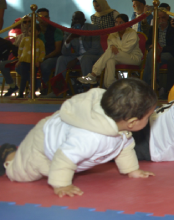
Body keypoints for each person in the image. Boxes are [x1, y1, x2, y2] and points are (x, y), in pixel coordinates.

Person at [0, 79, 156, 197]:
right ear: (132, 122)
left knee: (57, 166)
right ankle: (8, 153)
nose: (151, 118)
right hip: (43, 143)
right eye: (149, 116)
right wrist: (61, 185)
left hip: (66, 137)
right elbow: (64, 157)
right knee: (21, 174)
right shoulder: (89, 138)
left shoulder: (117, 122)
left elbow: (125, 146)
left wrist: (131, 170)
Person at [43, 12, 103, 98]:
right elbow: (64, 52)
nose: (77, 21)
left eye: (79, 19)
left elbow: (96, 48)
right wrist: (69, 40)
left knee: (85, 59)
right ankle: (58, 91)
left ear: (84, 20)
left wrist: (77, 59)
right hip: (78, 56)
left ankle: (88, 90)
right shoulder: (70, 31)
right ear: (72, 20)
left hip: (94, 56)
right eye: (75, 19)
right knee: (61, 59)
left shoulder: (93, 28)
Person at [78, 14, 143, 88]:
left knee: (111, 52)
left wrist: (114, 48)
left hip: (133, 58)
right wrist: (112, 47)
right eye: (116, 22)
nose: (118, 24)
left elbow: (126, 50)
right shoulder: (113, 34)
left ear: (126, 23)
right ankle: (110, 86)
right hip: (116, 56)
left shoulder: (132, 33)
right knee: (110, 60)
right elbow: (110, 48)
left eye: (120, 22)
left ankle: (93, 74)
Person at [142, 3, 174, 93]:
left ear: (168, 17)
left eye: (163, 17)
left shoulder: (172, 28)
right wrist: (151, 47)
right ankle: (154, 84)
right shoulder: (154, 28)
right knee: (152, 54)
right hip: (156, 52)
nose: (161, 20)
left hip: (169, 54)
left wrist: (162, 49)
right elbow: (147, 44)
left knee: (151, 56)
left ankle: (147, 86)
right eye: (159, 18)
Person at [36, 8, 64, 96]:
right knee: (22, 65)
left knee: (45, 65)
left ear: (49, 18)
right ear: (37, 18)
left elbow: (57, 50)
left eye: (45, 17)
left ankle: (48, 87)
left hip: (53, 57)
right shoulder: (33, 30)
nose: (43, 19)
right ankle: (33, 87)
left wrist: (44, 58)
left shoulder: (56, 30)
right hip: (37, 57)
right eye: (41, 17)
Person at [14, 24, 45, 98]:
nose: (32, 33)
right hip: (24, 61)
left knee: (33, 78)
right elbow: (20, 50)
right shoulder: (25, 40)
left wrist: (39, 60)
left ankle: (32, 93)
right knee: (23, 78)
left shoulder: (40, 42)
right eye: (30, 31)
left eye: (34, 31)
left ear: (38, 32)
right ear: (28, 32)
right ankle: (21, 93)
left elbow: (42, 52)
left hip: (34, 63)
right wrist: (19, 59)